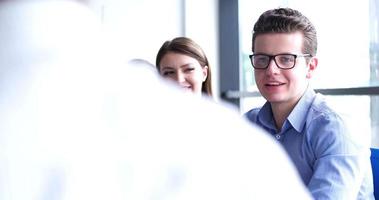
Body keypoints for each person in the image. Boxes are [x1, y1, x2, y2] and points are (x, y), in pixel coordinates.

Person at [0, 1, 314, 199]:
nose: (178, 81)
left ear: (204, 72)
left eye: (187, 70)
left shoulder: (228, 141)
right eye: (167, 73)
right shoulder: (240, 145)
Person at [245, 7, 374, 199]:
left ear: (310, 67)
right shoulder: (249, 124)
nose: (271, 70)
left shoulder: (335, 128)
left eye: (286, 59)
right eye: (262, 59)